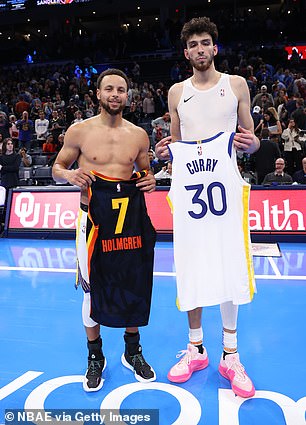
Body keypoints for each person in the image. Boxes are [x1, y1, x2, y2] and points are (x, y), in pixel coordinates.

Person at [155, 17, 259, 398]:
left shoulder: (235, 85)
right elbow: (177, 147)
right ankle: (196, 348)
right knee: (193, 267)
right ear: (186, 53)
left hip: (227, 191)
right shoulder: (176, 92)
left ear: (215, 48)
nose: (199, 49)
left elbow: (253, 139)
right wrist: (166, 153)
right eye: (193, 44)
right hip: (190, 192)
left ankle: (230, 354)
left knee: (230, 266)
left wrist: (254, 146)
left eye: (205, 43)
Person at [52, 68, 156, 392]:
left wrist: (150, 180)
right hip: (91, 220)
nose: (115, 94)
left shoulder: (139, 135)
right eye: (108, 88)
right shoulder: (79, 132)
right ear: (98, 94)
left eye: (121, 89)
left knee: (133, 283)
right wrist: (69, 176)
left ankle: (132, 350)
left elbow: (145, 172)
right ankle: (95, 356)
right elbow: (57, 168)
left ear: (128, 96)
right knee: (91, 289)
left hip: (128, 222)